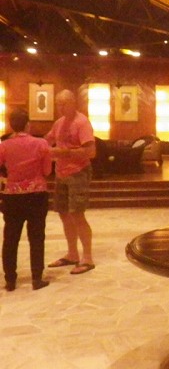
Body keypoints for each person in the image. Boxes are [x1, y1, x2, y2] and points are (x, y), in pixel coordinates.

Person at [45, 90, 97, 275]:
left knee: (77, 214)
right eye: (58, 104)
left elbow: (91, 152)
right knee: (64, 213)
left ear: (73, 103)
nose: (60, 107)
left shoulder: (82, 123)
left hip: (78, 172)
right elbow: (47, 140)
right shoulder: (59, 123)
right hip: (61, 173)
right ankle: (72, 253)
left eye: (64, 103)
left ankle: (87, 257)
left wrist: (64, 152)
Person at [0, 109, 52, 291]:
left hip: (12, 196)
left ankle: (10, 280)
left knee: (10, 238)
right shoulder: (41, 144)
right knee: (37, 237)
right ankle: (36, 278)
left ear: (10, 125)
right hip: (36, 195)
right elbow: (47, 171)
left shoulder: (4, 145)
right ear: (28, 124)